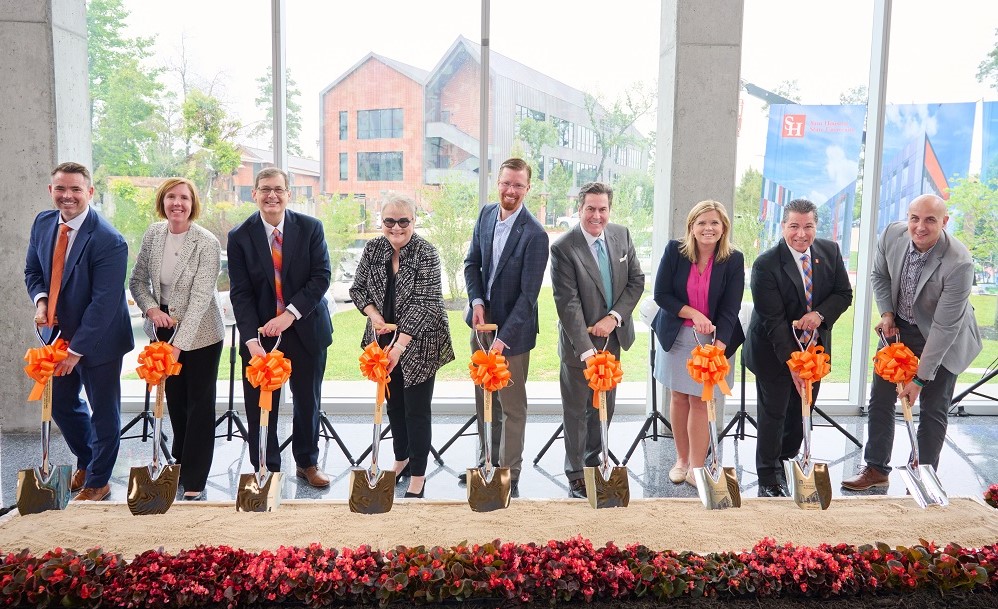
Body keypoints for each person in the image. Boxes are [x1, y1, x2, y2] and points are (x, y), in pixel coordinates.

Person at [842, 194, 982, 491]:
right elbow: (879, 275)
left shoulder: (959, 262)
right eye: (914, 218)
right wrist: (887, 313)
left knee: (933, 408)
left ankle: (922, 476)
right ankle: (876, 468)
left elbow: (945, 327)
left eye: (930, 220)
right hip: (899, 328)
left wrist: (919, 380)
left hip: (945, 336)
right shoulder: (892, 235)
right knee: (880, 399)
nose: (920, 226)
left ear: (944, 222)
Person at [24, 162, 134, 501]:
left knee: (103, 412)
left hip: (99, 341)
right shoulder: (43, 223)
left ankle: (99, 480)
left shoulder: (109, 240)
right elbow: (33, 271)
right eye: (61, 189)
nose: (67, 196)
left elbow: (103, 306)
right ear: (51, 191)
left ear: (89, 192)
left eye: (75, 189)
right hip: (56, 337)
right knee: (60, 403)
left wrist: (76, 352)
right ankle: (88, 459)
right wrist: (41, 301)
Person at [227, 167, 333, 488]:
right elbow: (240, 293)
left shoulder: (311, 228)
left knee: (307, 400)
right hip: (261, 336)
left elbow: (321, 277)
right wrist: (250, 340)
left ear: (289, 194)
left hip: (306, 328)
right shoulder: (239, 237)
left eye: (278, 189)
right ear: (255, 194)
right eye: (264, 189)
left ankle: (307, 462)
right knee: (261, 403)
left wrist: (289, 314)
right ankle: (266, 467)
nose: (271, 195)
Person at [743, 198, 852, 497]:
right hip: (772, 350)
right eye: (794, 226)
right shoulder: (766, 264)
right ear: (783, 226)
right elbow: (774, 321)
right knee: (774, 412)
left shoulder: (830, 252)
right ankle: (768, 475)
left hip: (814, 351)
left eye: (808, 226)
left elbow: (844, 293)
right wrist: (793, 364)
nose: (800, 234)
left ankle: (788, 461)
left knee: (801, 410)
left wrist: (819, 315)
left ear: (816, 226)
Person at [349, 194, 455, 498]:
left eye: (403, 221)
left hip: (419, 343)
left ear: (414, 221)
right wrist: (375, 316)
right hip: (381, 341)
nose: (396, 227)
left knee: (416, 410)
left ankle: (418, 475)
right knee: (393, 406)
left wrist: (398, 347)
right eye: (389, 221)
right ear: (381, 222)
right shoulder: (373, 248)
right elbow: (357, 289)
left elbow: (425, 304)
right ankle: (401, 459)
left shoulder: (427, 253)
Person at [129, 178, 225, 500]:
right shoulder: (154, 235)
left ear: (192, 203)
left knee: (199, 406)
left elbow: (199, 300)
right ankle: (181, 465)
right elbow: (138, 281)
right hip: (164, 326)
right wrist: (152, 309)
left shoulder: (206, 242)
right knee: (176, 403)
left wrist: (176, 348)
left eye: (184, 197)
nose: (177, 203)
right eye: (171, 197)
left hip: (202, 335)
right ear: (163, 201)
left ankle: (196, 479)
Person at [460, 157, 549, 495]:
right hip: (481, 327)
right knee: (484, 400)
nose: (511, 190)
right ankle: (486, 465)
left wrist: (502, 341)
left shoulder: (536, 235)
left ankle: (510, 472)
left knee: (511, 407)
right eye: (506, 183)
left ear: (527, 189)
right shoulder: (485, 215)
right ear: (497, 182)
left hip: (513, 335)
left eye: (518, 185)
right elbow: (472, 264)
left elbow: (529, 298)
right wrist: (476, 302)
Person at [550, 182, 644, 498]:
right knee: (577, 411)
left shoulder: (622, 235)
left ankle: (596, 464)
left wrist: (614, 317)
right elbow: (568, 304)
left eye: (602, 208)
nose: (597, 215)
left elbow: (636, 281)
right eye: (590, 208)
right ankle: (577, 473)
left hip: (613, 339)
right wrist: (587, 350)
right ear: (579, 209)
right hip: (581, 345)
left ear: (609, 210)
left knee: (605, 406)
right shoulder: (563, 248)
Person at [651, 200, 745, 489]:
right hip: (679, 333)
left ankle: (696, 467)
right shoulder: (674, 251)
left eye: (714, 223)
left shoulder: (734, 259)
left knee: (702, 400)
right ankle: (680, 460)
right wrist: (694, 313)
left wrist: (719, 345)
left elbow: (731, 308)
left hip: (715, 338)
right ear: (691, 226)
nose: (708, 228)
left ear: (723, 228)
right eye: (702, 222)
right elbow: (662, 295)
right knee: (679, 397)